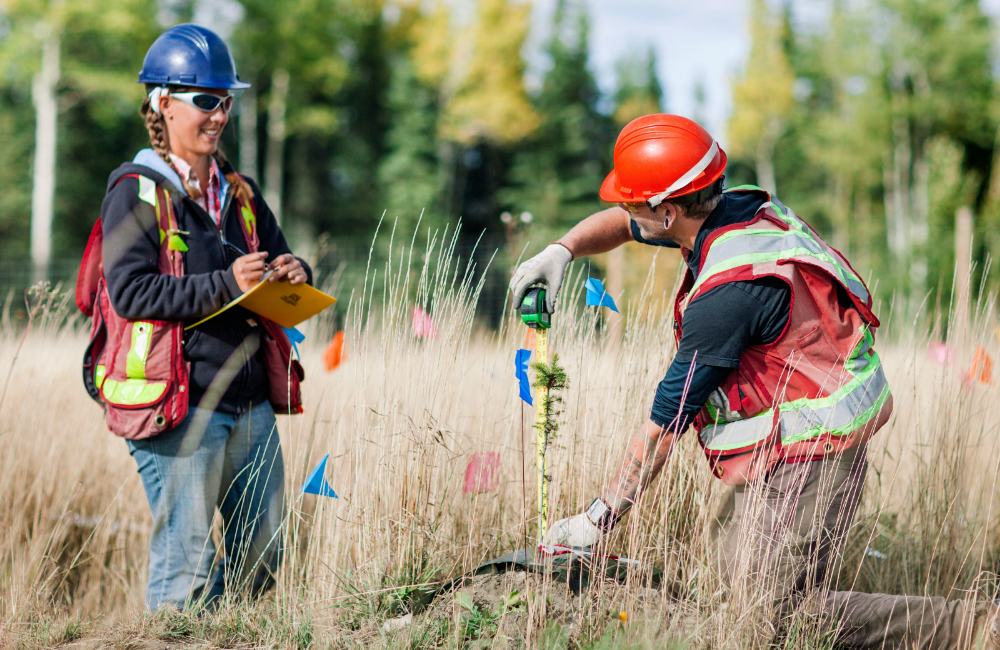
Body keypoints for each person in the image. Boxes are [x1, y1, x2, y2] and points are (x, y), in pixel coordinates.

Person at [509, 114, 999, 649]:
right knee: (729, 573)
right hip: (791, 439)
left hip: (815, 450)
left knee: (776, 613)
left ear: (668, 211)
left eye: (635, 203)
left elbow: (661, 429)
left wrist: (598, 519)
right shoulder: (731, 206)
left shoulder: (727, 296)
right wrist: (563, 249)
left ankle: (974, 627)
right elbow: (625, 223)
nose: (627, 212)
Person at [93, 24, 310, 611]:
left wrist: (296, 272)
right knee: (186, 572)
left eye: (227, 101)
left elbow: (281, 257)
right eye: (206, 101)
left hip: (250, 403)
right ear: (163, 103)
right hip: (178, 408)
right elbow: (132, 293)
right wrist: (224, 285)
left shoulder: (239, 190)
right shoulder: (135, 193)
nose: (220, 115)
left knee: (263, 556)